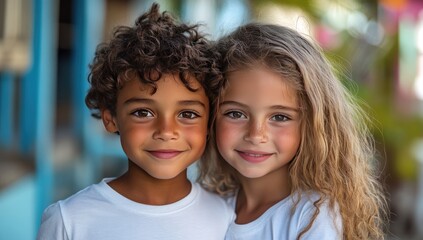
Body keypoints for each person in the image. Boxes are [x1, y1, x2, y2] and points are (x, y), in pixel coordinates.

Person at [36, 3, 233, 240]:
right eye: (143, 112)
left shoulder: (227, 217)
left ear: (209, 122)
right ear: (111, 118)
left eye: (187, 115)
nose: (166, 131)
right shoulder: (69, 221)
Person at [198, 23, 388, 240]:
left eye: (280, 117)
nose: (256, 135)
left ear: (313, 124)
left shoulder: (311, 217)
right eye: (236, 114)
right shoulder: (210, 204)